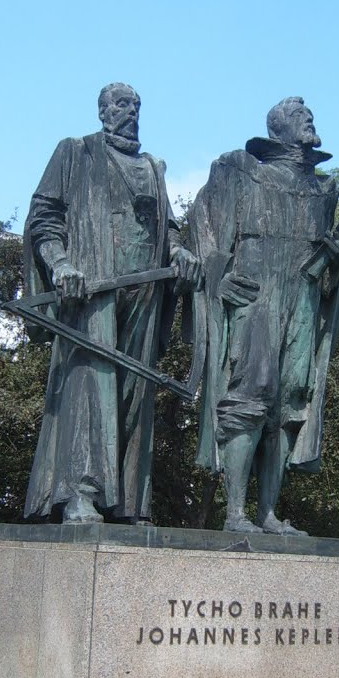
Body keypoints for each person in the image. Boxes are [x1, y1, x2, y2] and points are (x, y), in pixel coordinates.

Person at [23, 82, 200, 524]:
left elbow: (169, 230)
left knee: (136, 391)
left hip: (146, 289)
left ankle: (129, 502)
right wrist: (60, 264)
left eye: (136, 105)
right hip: (92, 287)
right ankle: (81, 493)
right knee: (89, 384)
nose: (131, 111)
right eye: (121, 104)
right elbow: (44, 217)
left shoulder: (153, 168)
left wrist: (178, 254)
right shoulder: (76, 152)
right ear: (103, 112)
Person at [188, 97, 339, 535]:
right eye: (299, 116)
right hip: (256, 297)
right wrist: (214, 278)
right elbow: (200, 227)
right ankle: (236, 513)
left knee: (289, 403)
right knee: (250, 397)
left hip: (301, 299)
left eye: (310, 115)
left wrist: (336, 261)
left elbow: (332, 269)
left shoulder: (325, 189)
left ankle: (268, 514)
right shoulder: (239, 171)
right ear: (278, 129)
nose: (309, 119)